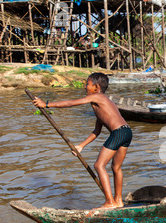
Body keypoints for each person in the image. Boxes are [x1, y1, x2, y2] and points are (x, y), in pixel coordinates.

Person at [32, 72, 132, 209]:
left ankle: (110, 202)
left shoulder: (97, 97)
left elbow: (71, 103)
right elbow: (97, 131)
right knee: (116, 167)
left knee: (99, 165)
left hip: (119, 133)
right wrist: (81, 146)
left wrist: (47, 104)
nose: (85, 87)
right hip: (126, 131)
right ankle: (118, 201)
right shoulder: (102, 103)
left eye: (87, 84)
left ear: (96, 88)